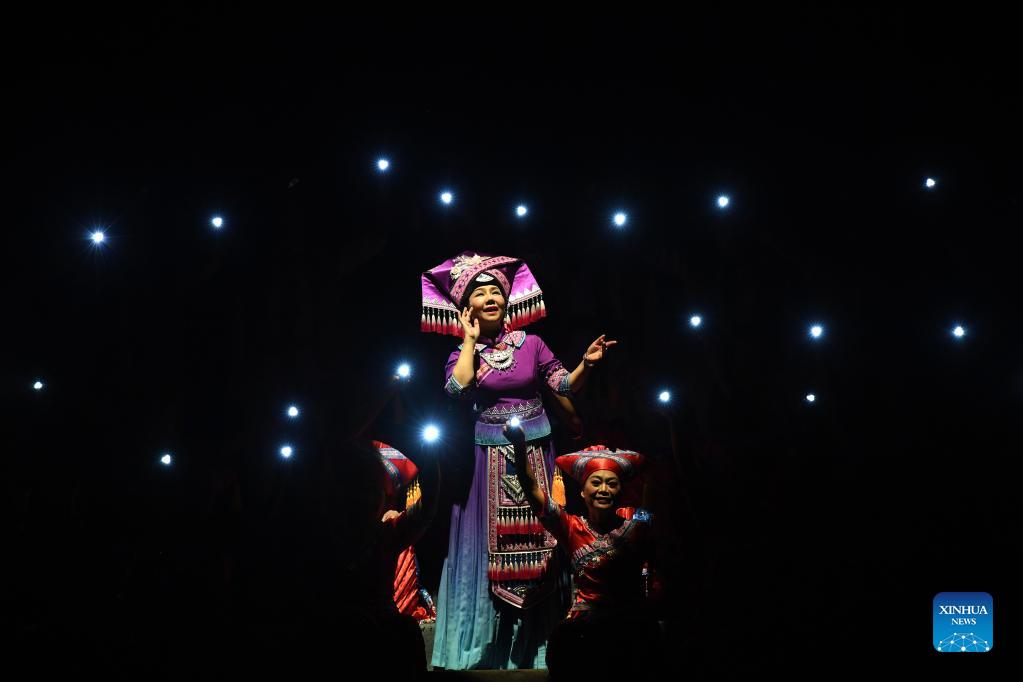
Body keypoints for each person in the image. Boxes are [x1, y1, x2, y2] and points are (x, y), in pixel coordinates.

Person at [422, 251, 617, 669]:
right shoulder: (463, 353)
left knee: (541, 535)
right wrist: (470, 340)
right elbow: (457, 390)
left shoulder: (532, 344)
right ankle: (485, 652)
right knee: (491, 543)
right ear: (467, 308)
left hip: (536, 449)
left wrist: (586, 365)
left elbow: (563, 384)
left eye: (496, 291)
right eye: (480, 294)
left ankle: (541, 649)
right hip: (487, 458)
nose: (491, 297)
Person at [504, 423, 662, 680]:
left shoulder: (636, 524)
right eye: (596, 482)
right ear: (582, 491)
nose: (603, 489)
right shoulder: (570, 526)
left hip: (630, 626)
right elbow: (532, 490)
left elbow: (652, 497)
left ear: (620, 490)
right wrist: (520, 447)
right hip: (584, 630)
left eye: (612, 484)